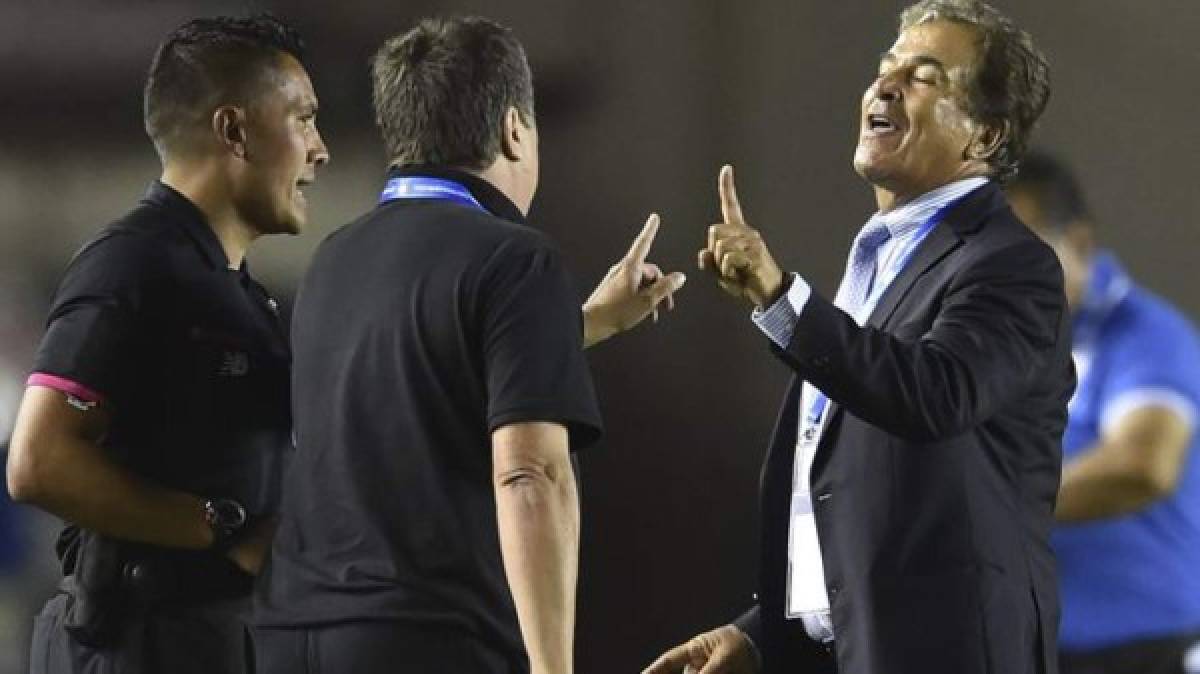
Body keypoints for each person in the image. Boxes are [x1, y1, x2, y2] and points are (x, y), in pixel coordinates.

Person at [645, 2, 1070, 673]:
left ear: (984, 137)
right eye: (886, 68)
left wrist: (780, 298)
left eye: (924, 77)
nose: (885, 86)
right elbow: (850, 480)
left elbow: (934, 394)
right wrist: (764, 632)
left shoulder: (1008, 264)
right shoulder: (877, 257)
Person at [253, 16, 686, 674]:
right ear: (515, 129)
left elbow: (427, 373)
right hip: (429, 643)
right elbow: (530, 473)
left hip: (291, 638)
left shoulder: (333, 261)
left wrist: (585, 324)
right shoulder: (515, 258)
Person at [6, 14, 329, 673]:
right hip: (138, 644)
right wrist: (218, 526)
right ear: (234, 130)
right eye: (302, 119)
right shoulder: (133, 263)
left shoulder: (238, 292)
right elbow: (38, 461)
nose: (319, 149)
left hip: (213, 641)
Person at [1007, 151, 1200, 674]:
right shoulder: (987, 347)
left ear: (1079, 242)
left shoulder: (1148, 337)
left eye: (1024, 251)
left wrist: (992, 509)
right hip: (1033, 648)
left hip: (1144, 651)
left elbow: (1142, 466)